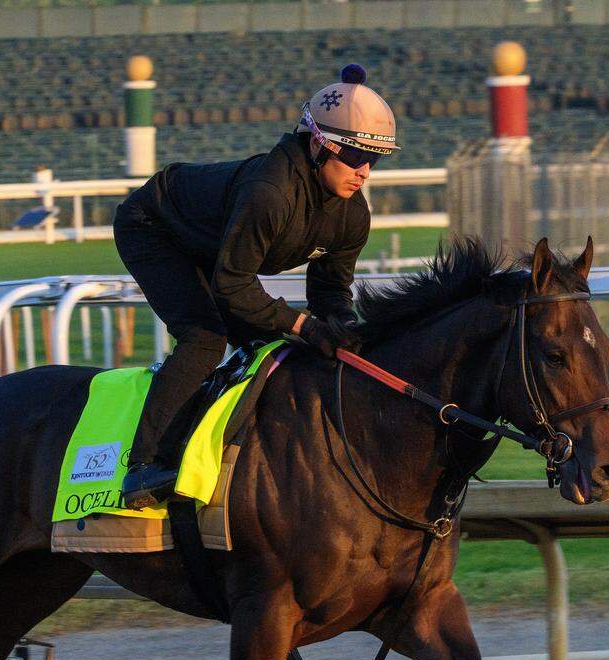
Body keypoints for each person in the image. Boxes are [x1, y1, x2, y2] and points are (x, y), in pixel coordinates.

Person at [114, 63, 398, 509]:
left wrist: (342, 328)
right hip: (154, 228)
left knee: (269, 346)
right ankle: (143, 467)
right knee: (206, 337)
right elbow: (232, 286)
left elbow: (330, 293)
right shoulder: (272, 192)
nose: (364, 171)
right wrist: (305, 325)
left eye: (374, 160)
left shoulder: (353, 215)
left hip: (214, 243)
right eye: (355, 156)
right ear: (319, 146)